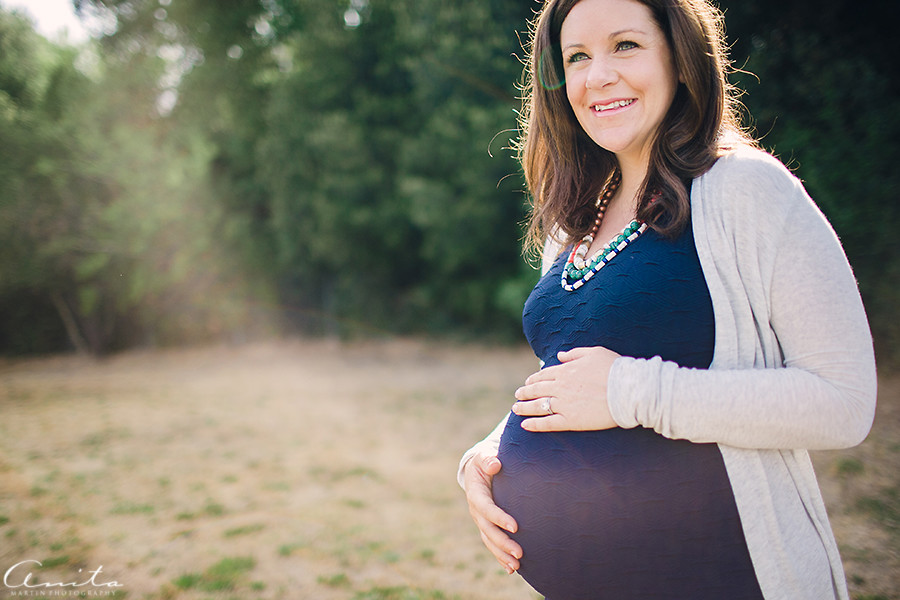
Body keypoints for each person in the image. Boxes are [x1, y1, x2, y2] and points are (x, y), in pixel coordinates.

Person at [457, 0, 877, 598]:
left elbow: (845, 402)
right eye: (577, 57)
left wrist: (631, 392)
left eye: (625, 45)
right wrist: (487, 454)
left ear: (681, 58)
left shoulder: (746, 189)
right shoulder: (574, 222)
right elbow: (570, 383)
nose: (597, 75)